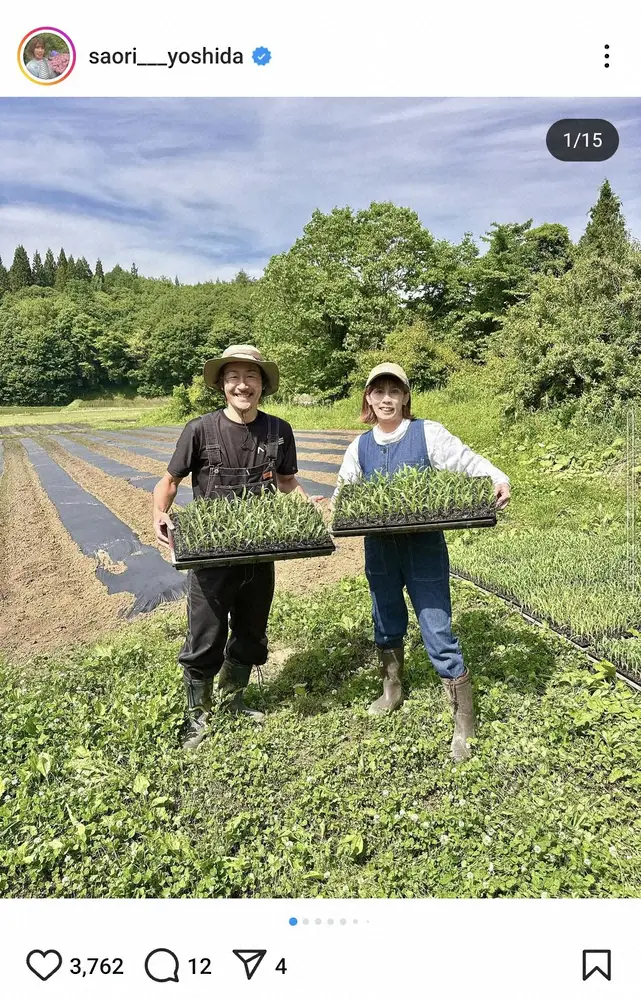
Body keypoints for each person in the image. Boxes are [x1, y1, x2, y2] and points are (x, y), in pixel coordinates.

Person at [334, 363, 511, 762]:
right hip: (380, 548)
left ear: (405, 396)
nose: (385, 399)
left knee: (436, 625)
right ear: (368, 399)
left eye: (393, 391)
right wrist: (330, 508)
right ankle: (391, 688)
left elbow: (466, 461)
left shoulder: (427, 433)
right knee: (386, 616)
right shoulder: (359, 446)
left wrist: (497, 478)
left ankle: (463, 722)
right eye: (377, 391)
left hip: (424, 549)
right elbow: (344, 492)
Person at [153, 345, 311, 750]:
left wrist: (310, 509)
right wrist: (160, 515)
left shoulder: (279, 430)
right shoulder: (199, 430)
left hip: (260, 553)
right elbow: (169, 482)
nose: (243, 385)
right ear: (223, 385)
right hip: (211, 555)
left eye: (251, 377)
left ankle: (233, 699)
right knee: (205, 635)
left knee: (252, 631)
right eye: (234, 377)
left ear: (263, 385)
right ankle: (197, 716)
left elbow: (287, 482)